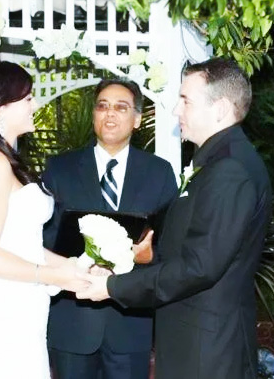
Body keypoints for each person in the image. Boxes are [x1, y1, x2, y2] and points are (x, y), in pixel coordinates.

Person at [77, 58, 272, 379]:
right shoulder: (215, 162)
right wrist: (142, 257)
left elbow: (200, 267)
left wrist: (114, 287)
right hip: (193, 342)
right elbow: (196, 245)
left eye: (186, 100)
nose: (175, 111)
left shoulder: (229, 170)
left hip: (206, 352)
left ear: (220, 108)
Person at [0, 57, 87, 379]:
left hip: (17, 311)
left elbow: (18, 242)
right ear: (0, 108)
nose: (35, 104)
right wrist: (52, 276)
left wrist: (70, 266)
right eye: (27, 98)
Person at [42, 79, 178, 379]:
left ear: (138, 119)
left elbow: (171, 245)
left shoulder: (160, 173)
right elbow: (44, 238)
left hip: (130, 324)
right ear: (94, 115)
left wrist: (146, 256)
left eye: (121, 107)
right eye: (102, 106)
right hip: (73, 323)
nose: (110, 114)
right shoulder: (59, 169)